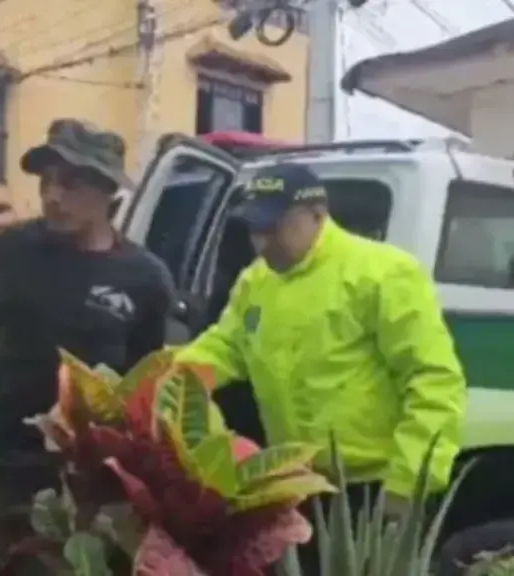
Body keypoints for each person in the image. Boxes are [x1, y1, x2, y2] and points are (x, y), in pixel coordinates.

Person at [175, 162, 467, 569]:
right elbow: (226, 347)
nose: (263, 242)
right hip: (295, 486)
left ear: (317, 214)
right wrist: (166, 381)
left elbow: (434, 380)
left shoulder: (383, 272)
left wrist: (407, 483)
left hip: (373, 490)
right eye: (256, 229)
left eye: (275, 227)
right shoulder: (257, 281)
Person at [0, 118, 173, 571]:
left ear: (109, 194)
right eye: (46, 182)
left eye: (71, 183)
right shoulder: (10, 251)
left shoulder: (145, 278)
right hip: (5, 475)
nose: (52, 196)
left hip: (91, 492)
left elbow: (146, 383)